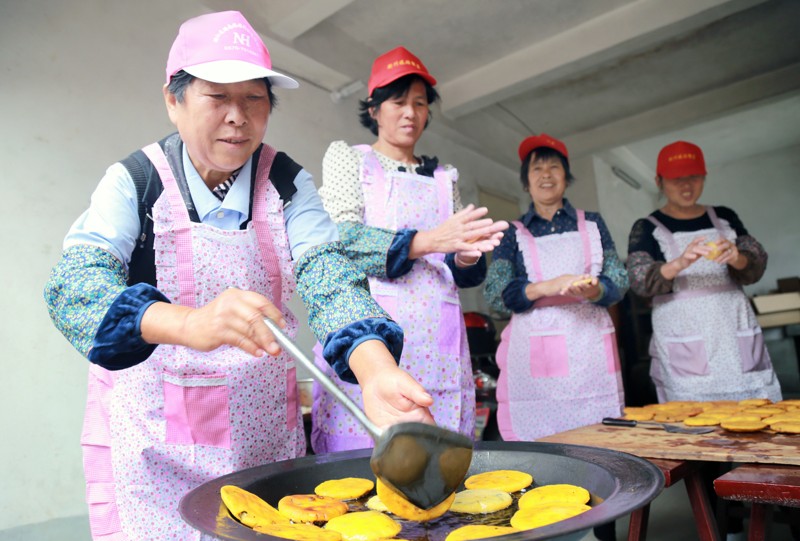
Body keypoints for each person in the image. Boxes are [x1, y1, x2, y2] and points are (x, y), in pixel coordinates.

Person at [43, 12, 437, 540]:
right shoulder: (135, 182)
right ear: (173, 99)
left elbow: (329, 276)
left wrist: (375, 369)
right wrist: (187, 323)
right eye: (217, 97)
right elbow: (75, 287)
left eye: (254, 98)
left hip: (260, 444)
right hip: (153, 447)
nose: (238, 116)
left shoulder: (287, 183)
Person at [311, 46, 508, 453]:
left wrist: (466, 256)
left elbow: (457, 260)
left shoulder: (443, 178)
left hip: (438, 343)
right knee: (364, 465)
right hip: (369, 336)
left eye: (419, 103)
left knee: (437, 461)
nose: (410, 113)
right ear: (374, 109)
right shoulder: (350, 161)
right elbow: (340, 240)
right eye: (398, 102)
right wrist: (430, 241)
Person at [483, 134, 629, 442]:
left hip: (589, 353)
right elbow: (495, 298)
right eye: (537, 169)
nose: (546, 175)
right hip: (536, 358)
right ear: (526, 182)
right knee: (543, 445)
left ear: (566, 176)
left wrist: (595, 291)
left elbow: (619, 280)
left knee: (598, 442)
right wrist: (545, 287)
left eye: (554, 167)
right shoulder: (512, 232)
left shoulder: (592, 223)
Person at [627, 140, 782, 403]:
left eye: (694, 177)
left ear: (704, 177)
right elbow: (639, 281)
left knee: (756, 412)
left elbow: (756, 264)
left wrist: (737, 258)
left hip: (733, 331)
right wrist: (679, 263)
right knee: (695, 419)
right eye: (677, 179)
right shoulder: (646, 227)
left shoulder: (724, 216)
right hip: (685, 339)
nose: (686, 186)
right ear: (659, 181)